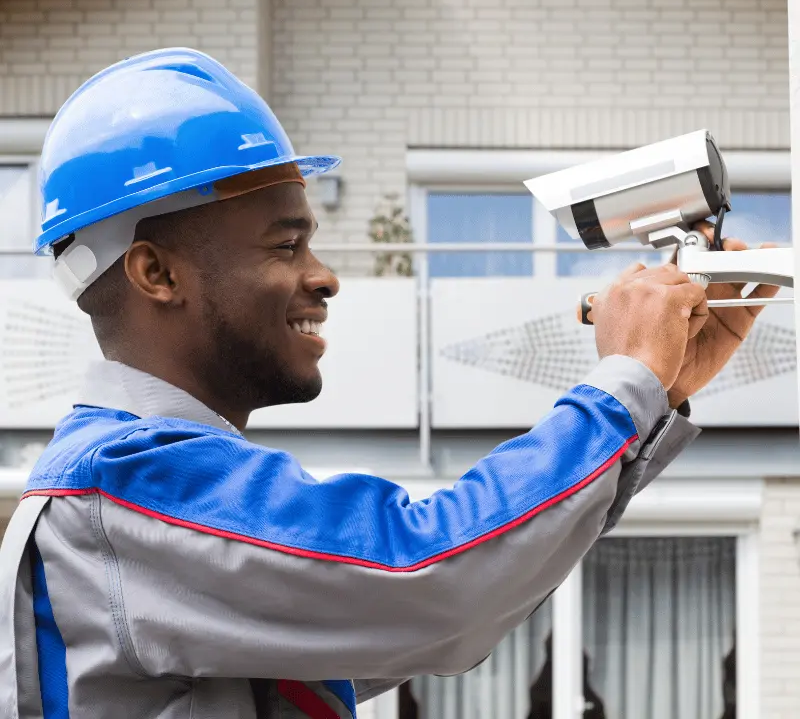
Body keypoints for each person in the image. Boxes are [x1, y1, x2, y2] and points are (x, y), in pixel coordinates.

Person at [0, 48, 778, 719]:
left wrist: (656, 393)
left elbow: (446, 607)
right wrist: (623, 387)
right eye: (287, 244)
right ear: (157, 272)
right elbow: (428, 572)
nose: (325, 276)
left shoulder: (155, 488)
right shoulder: (128, 481)